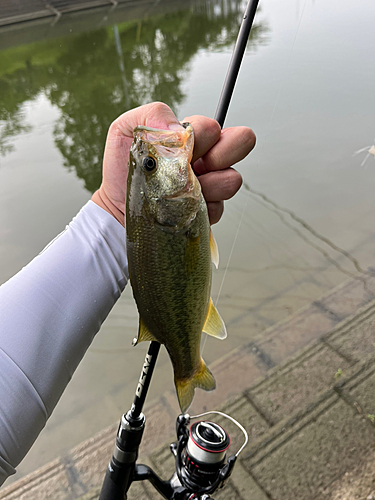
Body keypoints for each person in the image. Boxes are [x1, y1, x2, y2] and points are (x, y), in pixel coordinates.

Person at [0, 102, 255, 486]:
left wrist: (110, 212)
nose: (151, 159)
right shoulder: (166, 209)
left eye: (147, 165)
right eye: (150, 167)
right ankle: (189, 369)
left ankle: (188, 366)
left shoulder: (159, 207)